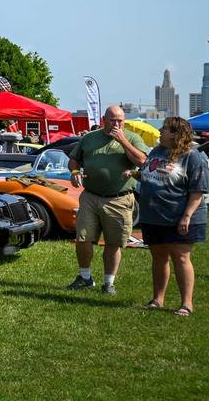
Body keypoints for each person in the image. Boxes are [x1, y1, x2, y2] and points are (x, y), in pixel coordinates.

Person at [67, 105, 148, 294]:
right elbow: (74, 160)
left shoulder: (133, 138)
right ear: (104, 120)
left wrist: (122, 141)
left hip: (119, 198)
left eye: (120, 121)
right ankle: (85, 277)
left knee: (113, 243)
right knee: (83, 238)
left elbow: (142, 162)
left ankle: (108, 283)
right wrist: (75, 171)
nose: (117, 124)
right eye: (113, 120)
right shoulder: (89, 138)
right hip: (91, 196)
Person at [134, 116, 209, 315]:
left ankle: (186, 304)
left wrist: (186, 216)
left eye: (165, 128)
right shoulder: (157, 151)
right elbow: (150, 174)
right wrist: (135, 175)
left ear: (176, 134)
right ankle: (157, 299)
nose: (160, 130)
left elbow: (198, 191)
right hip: (154, 216)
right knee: (158, 257)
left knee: (181, 257)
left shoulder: (193, 156)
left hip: (180, 216)